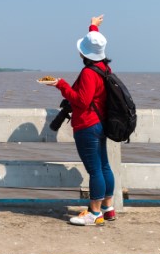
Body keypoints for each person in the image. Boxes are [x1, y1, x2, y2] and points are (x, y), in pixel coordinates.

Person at [44, 14, 116, 226]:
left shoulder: (88, 73)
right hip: (101, 123)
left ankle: (94, 214)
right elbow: (95, 43)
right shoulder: (104, 68)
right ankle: (108, 208)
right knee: (104, 166)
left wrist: (61, 85)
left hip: (87, 125)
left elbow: (81, 102)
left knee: (95, 170)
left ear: (83, 53)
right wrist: (93, 27)